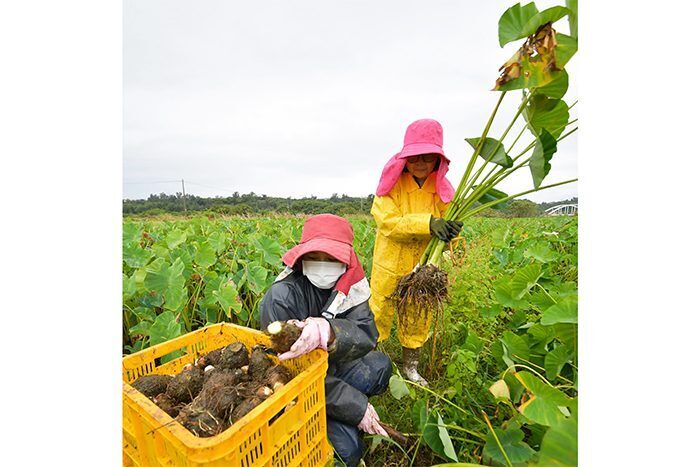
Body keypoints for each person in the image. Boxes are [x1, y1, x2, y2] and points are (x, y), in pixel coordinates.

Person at [259, 213, 392, 467]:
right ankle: (322, 418)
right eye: (315, 258)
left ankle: (340, 411)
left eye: (331, 258)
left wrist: (330, 331)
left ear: (345, 260)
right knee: (348, 451)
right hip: (301, 386)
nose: (322, 265)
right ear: (302, 259)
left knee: (380, 367)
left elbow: (366, 334)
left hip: (333, 366)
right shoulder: (282, 297)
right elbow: (289, 375)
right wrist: (355, 406)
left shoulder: (351, 286)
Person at [369, 118, 462, 386]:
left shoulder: (442, 191)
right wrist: (428, 224)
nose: (420, 162)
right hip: (391, 262)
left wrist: (451, 234)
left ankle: (410, 367)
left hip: (423, 267)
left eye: (428, 157)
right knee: (380, 311)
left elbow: (449, 232)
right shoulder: (390, 187)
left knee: (419, 314)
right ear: (404, 158)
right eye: (414, 157)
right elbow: (388, 222)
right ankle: (372, 361)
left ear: (437, 160)